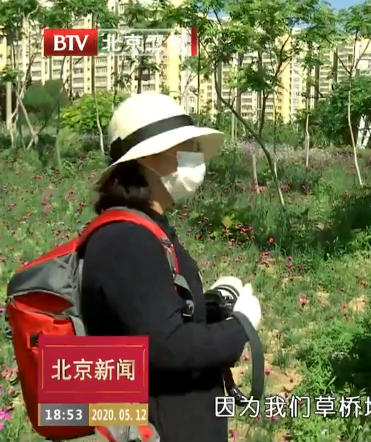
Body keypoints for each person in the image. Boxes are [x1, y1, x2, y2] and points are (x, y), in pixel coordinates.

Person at [79, 93, 262, 442]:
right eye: (186, 147)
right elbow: (166, 347)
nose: (196, 157)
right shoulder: (125, 240)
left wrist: (212, 305)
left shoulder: (146, 228)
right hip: (159, 427)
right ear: (148, 159)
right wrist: (241, 327)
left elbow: (153, 314)